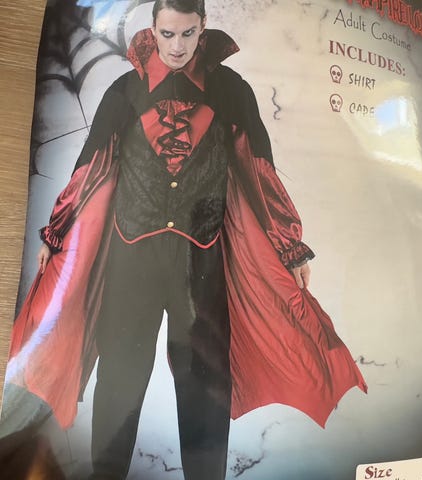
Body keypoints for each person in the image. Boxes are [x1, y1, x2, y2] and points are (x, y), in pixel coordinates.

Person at [7, 1, 367, 479]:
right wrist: (57, 232)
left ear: (203, 29)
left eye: (187, 34)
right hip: (131, 256)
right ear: (153, 29)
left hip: (202, 260)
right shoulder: (125, 90)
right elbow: (91, 165)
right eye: (167, 34)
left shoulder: (230, 89)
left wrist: (289, 245)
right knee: (120, 378)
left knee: (206, 381)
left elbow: (258, 168)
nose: (177, 46)